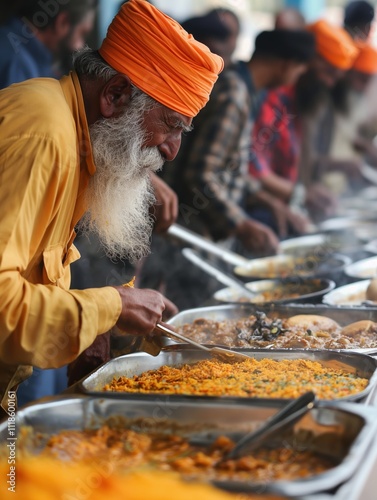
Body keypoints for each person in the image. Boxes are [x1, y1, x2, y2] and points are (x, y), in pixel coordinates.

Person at [0, 0, 223, 414]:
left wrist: (95, 323)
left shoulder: (75, 135)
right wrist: (111, 306)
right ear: (116, 94)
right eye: (171, 125)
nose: (172, 151)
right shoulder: (44, 135)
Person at [234, 28, 316, 235]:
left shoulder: (252, 92)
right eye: (299, 71)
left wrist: (274, 202)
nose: (297, 78)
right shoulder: (236, 92)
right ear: (286, 65)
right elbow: (208, 174)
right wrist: (240, 225)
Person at [0, 0, 98, 88]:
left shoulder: (10, 44)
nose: (80, 46)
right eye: (82, 34)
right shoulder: (19, 66)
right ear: (62, 22)